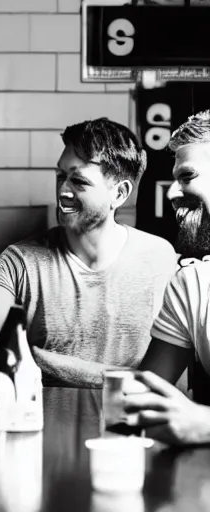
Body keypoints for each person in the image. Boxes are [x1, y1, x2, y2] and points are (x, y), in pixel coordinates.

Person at [0, 118, 177, 387]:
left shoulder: (161, 259)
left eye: (79, 181)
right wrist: (123, 377)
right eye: (61, 176)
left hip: (131, 422)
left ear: (119, 194)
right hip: (42, 423)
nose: (63, 191)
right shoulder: (19, 262)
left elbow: (164, 382)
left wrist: (41, 361)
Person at [124, 110, 210, 445]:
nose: (173, 192)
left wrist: (204, 422)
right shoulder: (192, 284)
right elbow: (144, 399)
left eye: (187, 176)